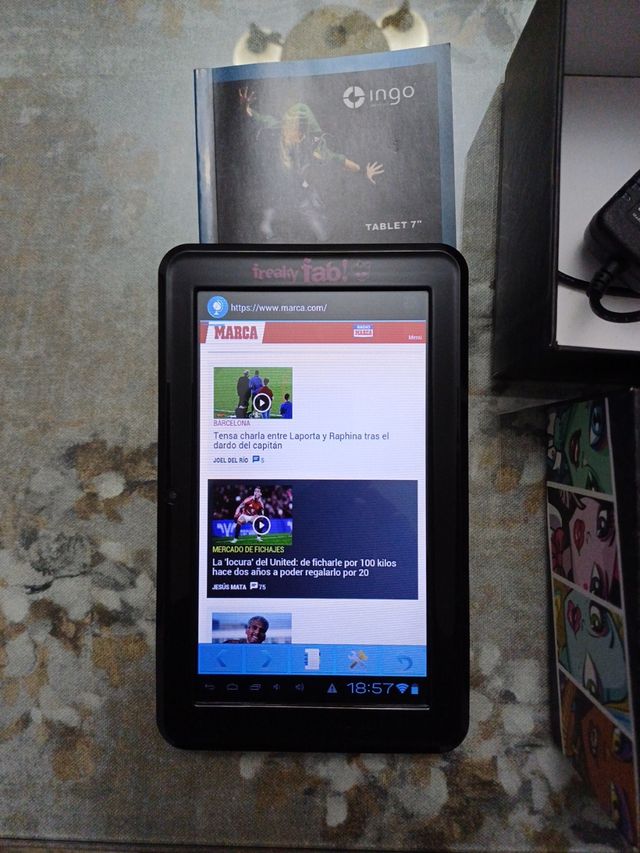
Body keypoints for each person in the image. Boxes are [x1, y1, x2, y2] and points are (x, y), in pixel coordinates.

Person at [239, 87, 384, 241]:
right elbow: (256, 116)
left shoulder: (314, 148)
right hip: (278, 191)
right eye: (286, 124)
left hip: (302, 193)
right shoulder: (277, 128)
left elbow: (340, 160)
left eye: (290, 127)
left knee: (321, 232)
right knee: (267, 220)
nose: (285, 131)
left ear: (301, 133)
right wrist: (245, 107)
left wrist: (363, 172)